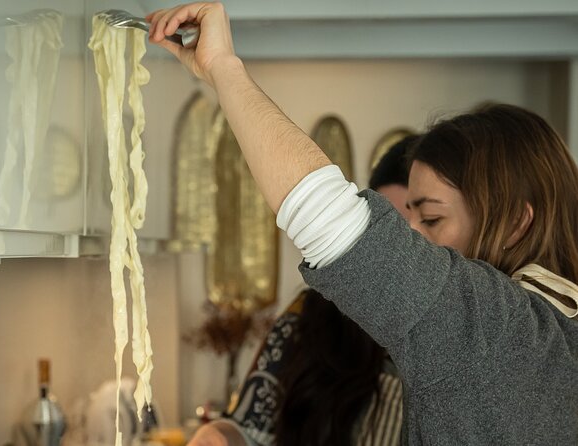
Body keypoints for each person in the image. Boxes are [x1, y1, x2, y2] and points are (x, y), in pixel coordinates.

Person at [147, 3, 578, 444]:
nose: (411, 234)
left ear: (514, 225)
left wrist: (223, 67)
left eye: (431, 217)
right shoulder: (555, 330)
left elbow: (326, 216)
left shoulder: (496, 333)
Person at [187, 136, 416, 446]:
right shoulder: (312, 318)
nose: (399, 249)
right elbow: (250, 428)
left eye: (424, 224)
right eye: (386, 227)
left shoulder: (463, 335)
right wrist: (218, 436)